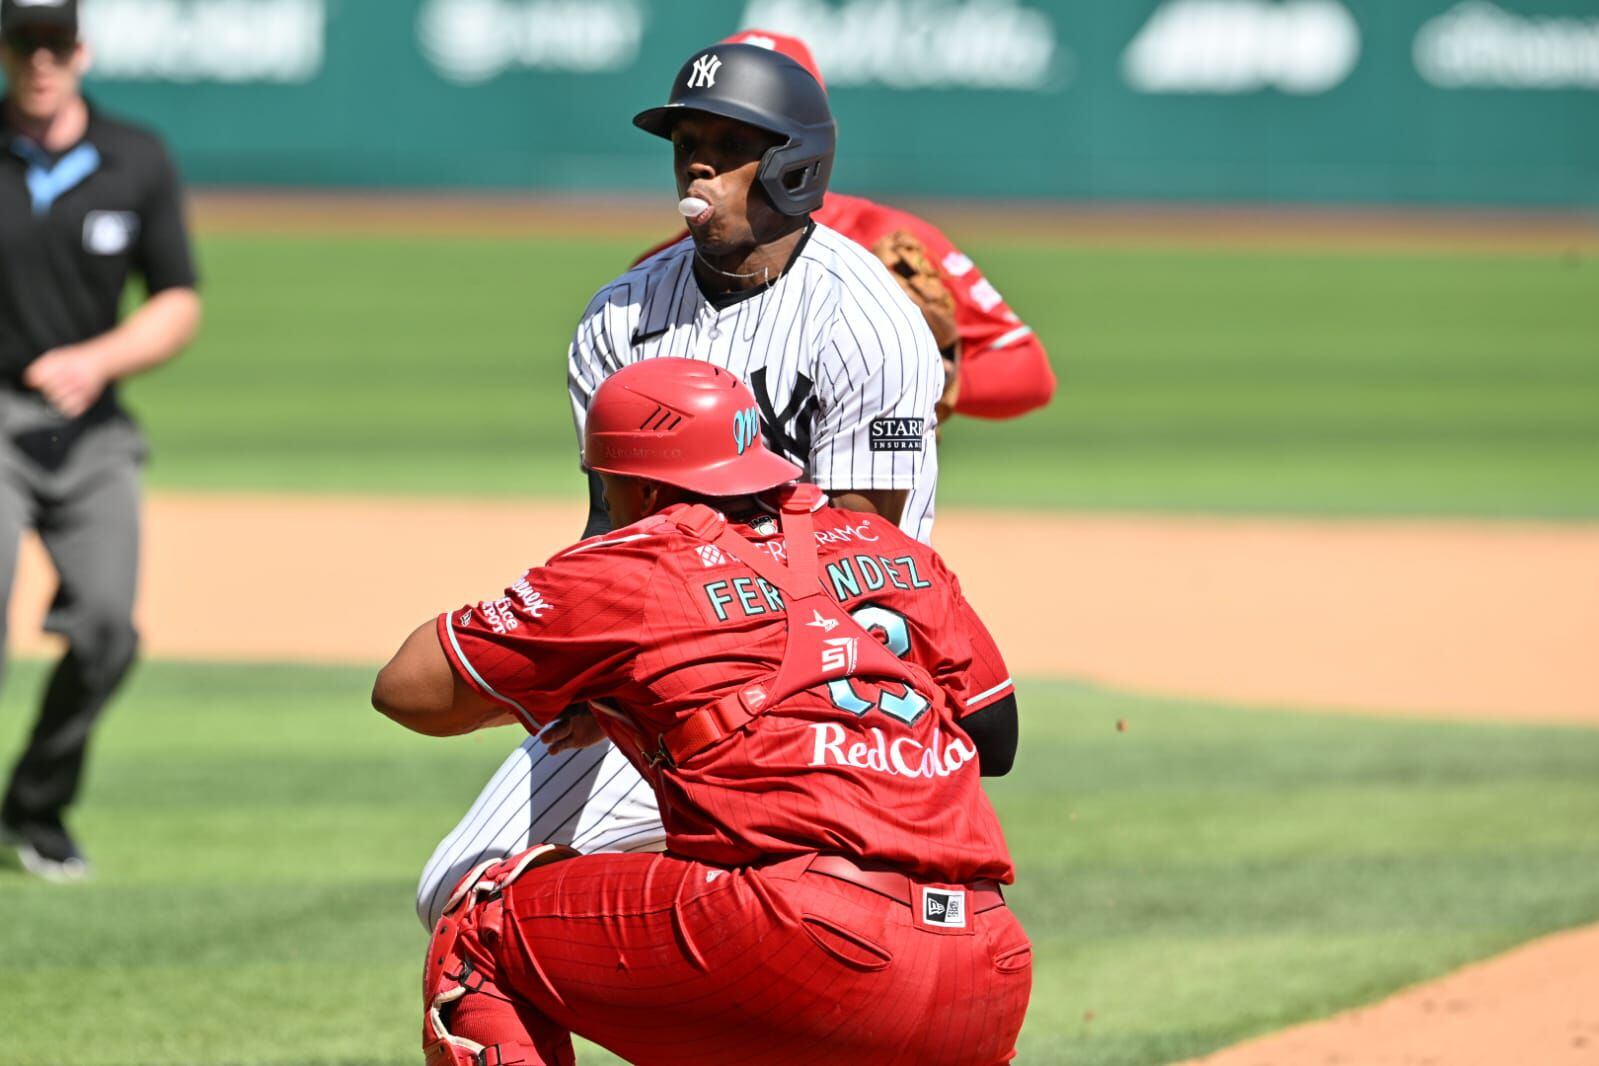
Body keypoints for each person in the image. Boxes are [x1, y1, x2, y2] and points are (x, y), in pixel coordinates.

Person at [412, 39, 950, 927]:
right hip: (658, 668)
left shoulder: (866, 324)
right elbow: (607, 529)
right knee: (463, 887)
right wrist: (585, 673)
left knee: (797, 925)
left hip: (832, 683)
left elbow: (862, 558)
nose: (696, 160)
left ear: (793, 166)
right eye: (683, 139)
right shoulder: (620, 317)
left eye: (727, 141)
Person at [374, 357, 1030, 1066]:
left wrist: (603, 684)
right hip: (986, 968)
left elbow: (409, 691)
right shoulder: (892, 548)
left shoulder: (637, 562)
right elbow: (993, 734)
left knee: (481, 923)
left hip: (805, 944)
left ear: (641, 483)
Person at [0, 0, 202, 881]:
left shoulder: (134, 156)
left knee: (108, 632)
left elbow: (177, 299)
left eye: (54, 43)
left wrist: (97, 358)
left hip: (92, 432)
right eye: (22, 43)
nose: (40, 60)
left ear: (79, 50)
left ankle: (34, 808)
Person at [639, 30, 1058, 425]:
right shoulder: (653, 276)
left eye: (738, 140)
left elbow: (1028, 371)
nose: (703, 163)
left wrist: (920, 374)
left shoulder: (884, 237)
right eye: (691, 138)